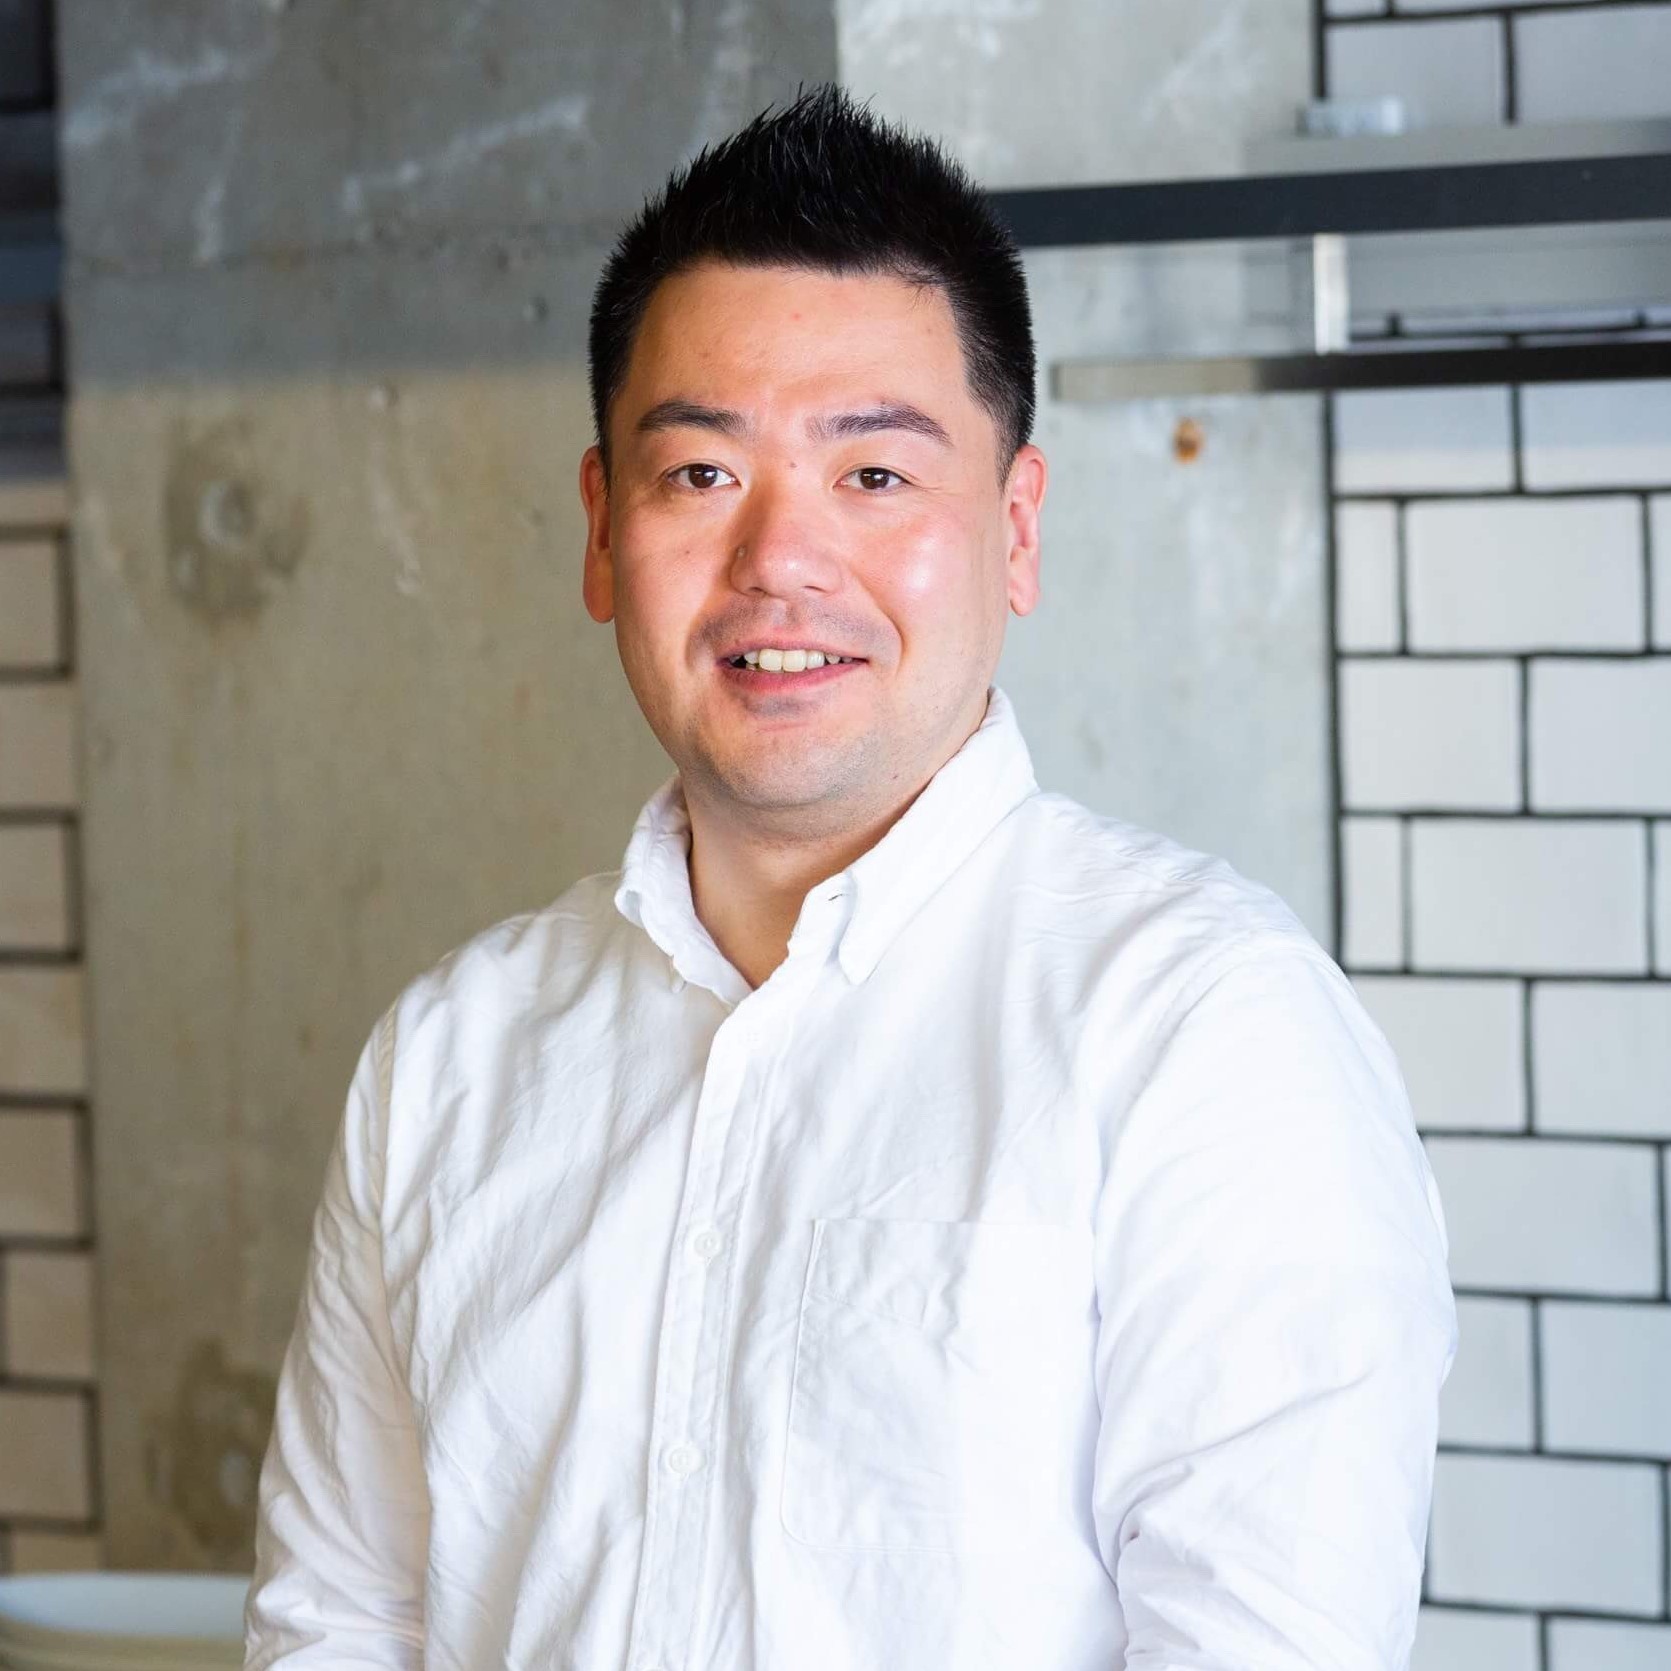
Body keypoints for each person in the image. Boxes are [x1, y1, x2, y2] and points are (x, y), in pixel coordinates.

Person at [244, 83, 1456, 1671]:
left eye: (874, 476)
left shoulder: (1202, 1033)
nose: (780, 563)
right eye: (701, 475)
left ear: (1015, 528)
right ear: (602, 532)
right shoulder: (448, 1060)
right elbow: (339, 1621)